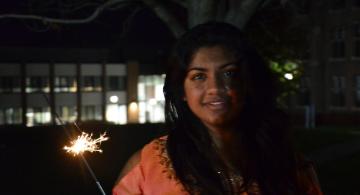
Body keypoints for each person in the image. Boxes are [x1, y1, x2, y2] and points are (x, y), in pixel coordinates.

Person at [113, 22, 322, 195]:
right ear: (182, 91)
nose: (215, 88)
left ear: (247, 82)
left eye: (229, 73)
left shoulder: (287, 163)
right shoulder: (148, 167)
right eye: (199, 76)